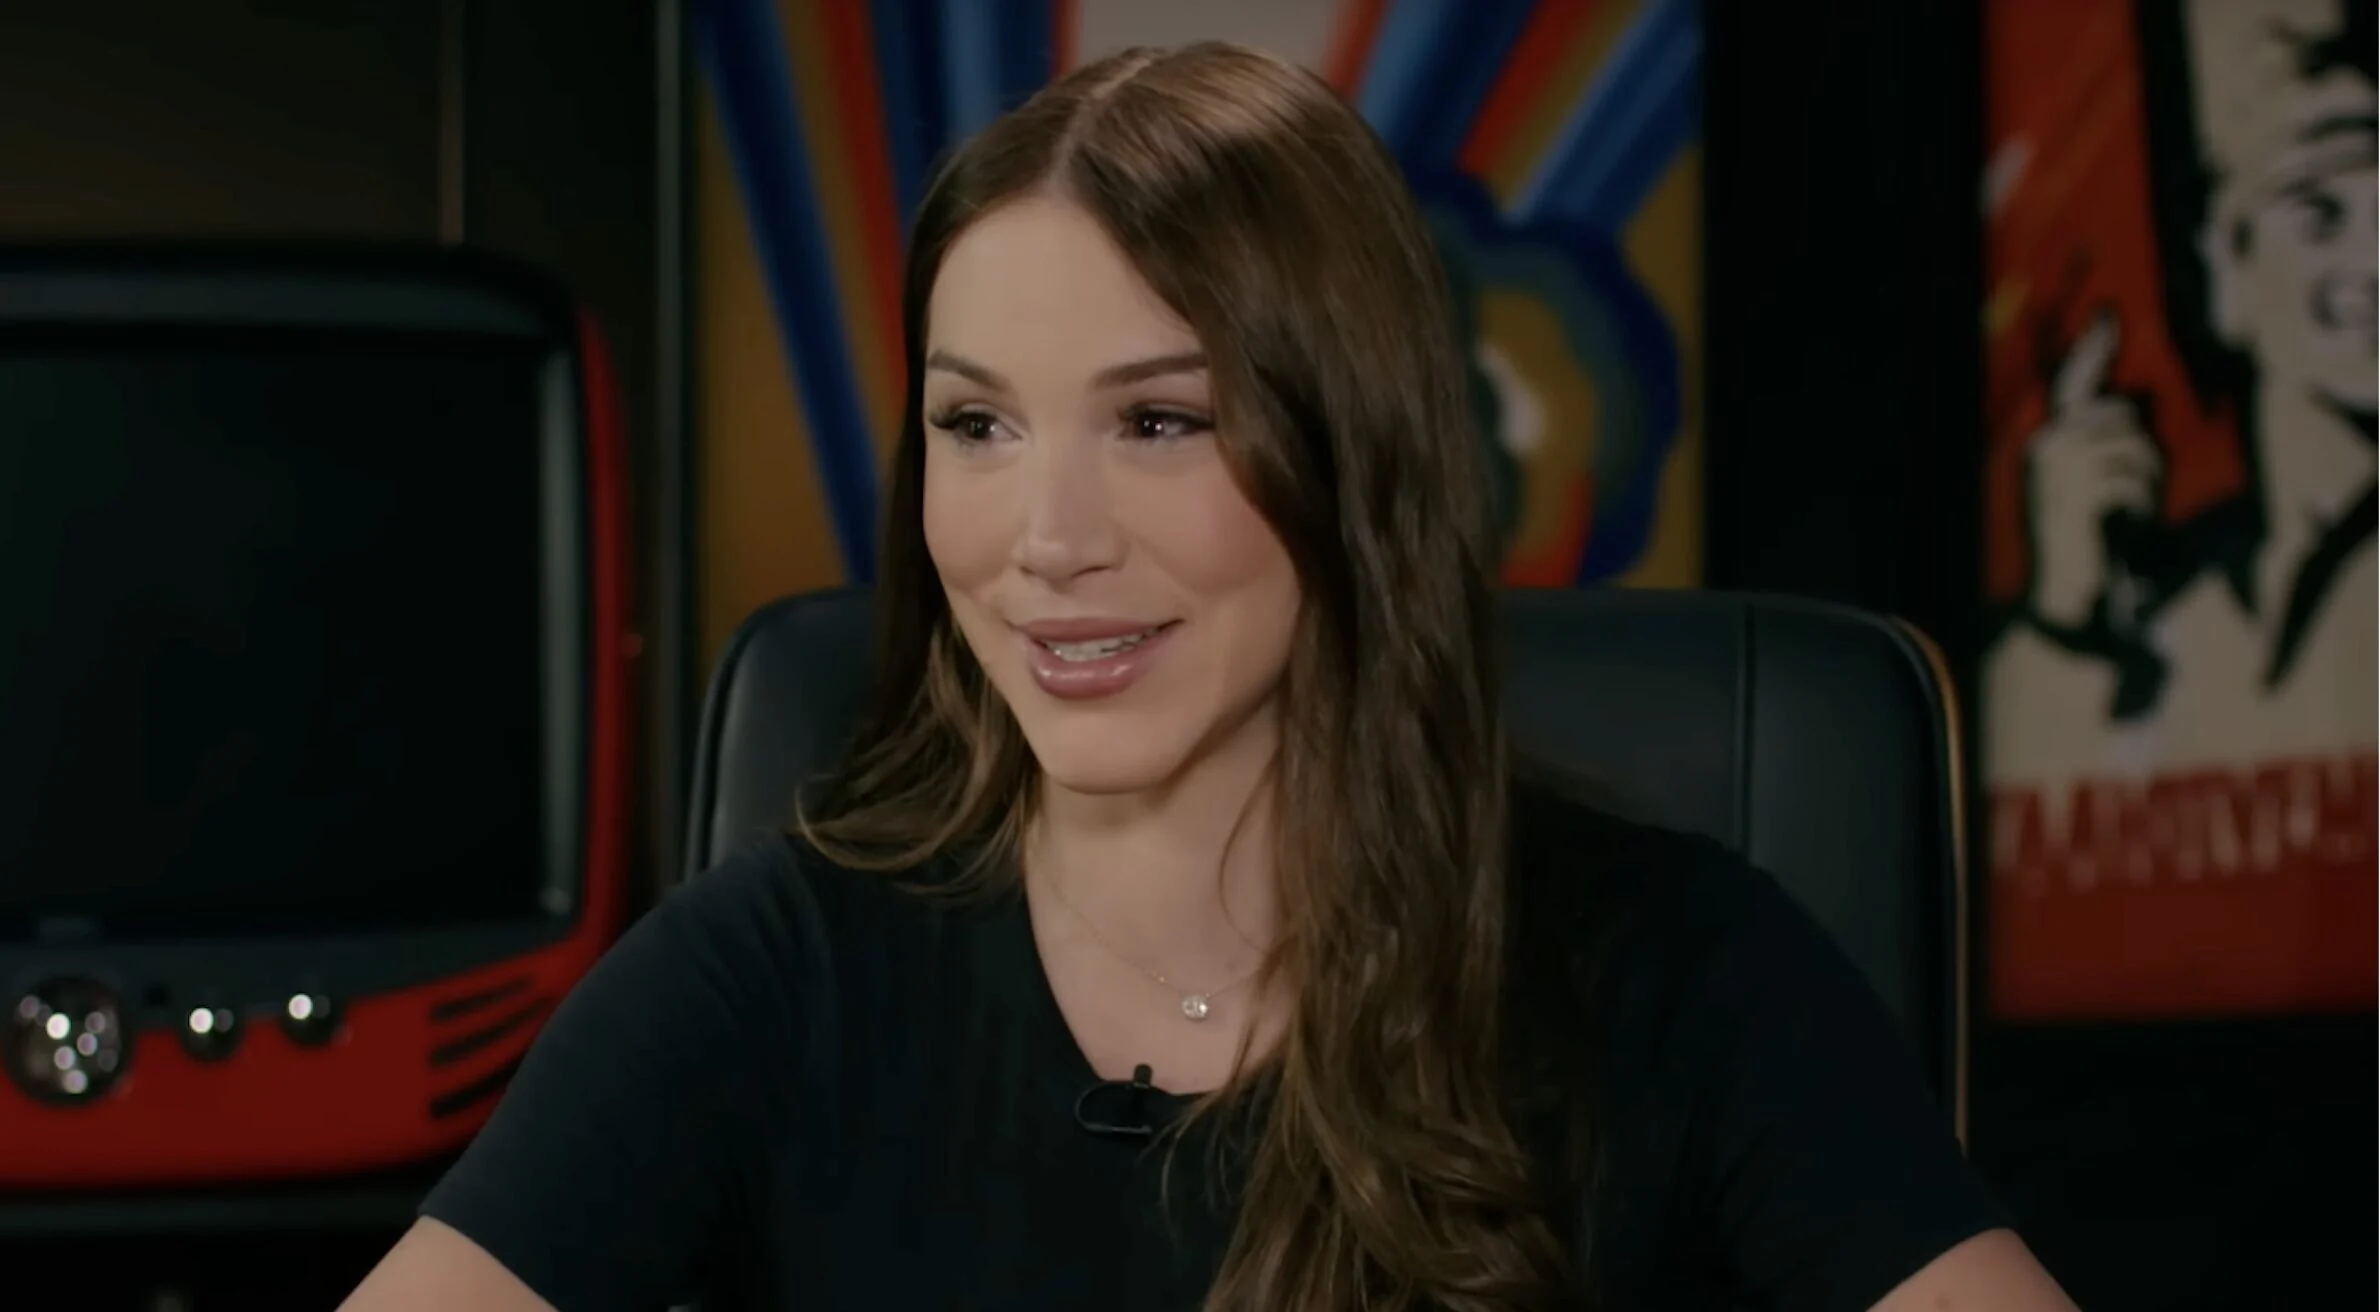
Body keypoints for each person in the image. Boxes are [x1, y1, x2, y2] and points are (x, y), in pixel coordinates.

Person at [345, 42, 2078, 1312]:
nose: (1046, 541)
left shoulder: (1684, 974)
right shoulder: (767, 974)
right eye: (977, 425)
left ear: (1355, 457)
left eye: (1160, 422)